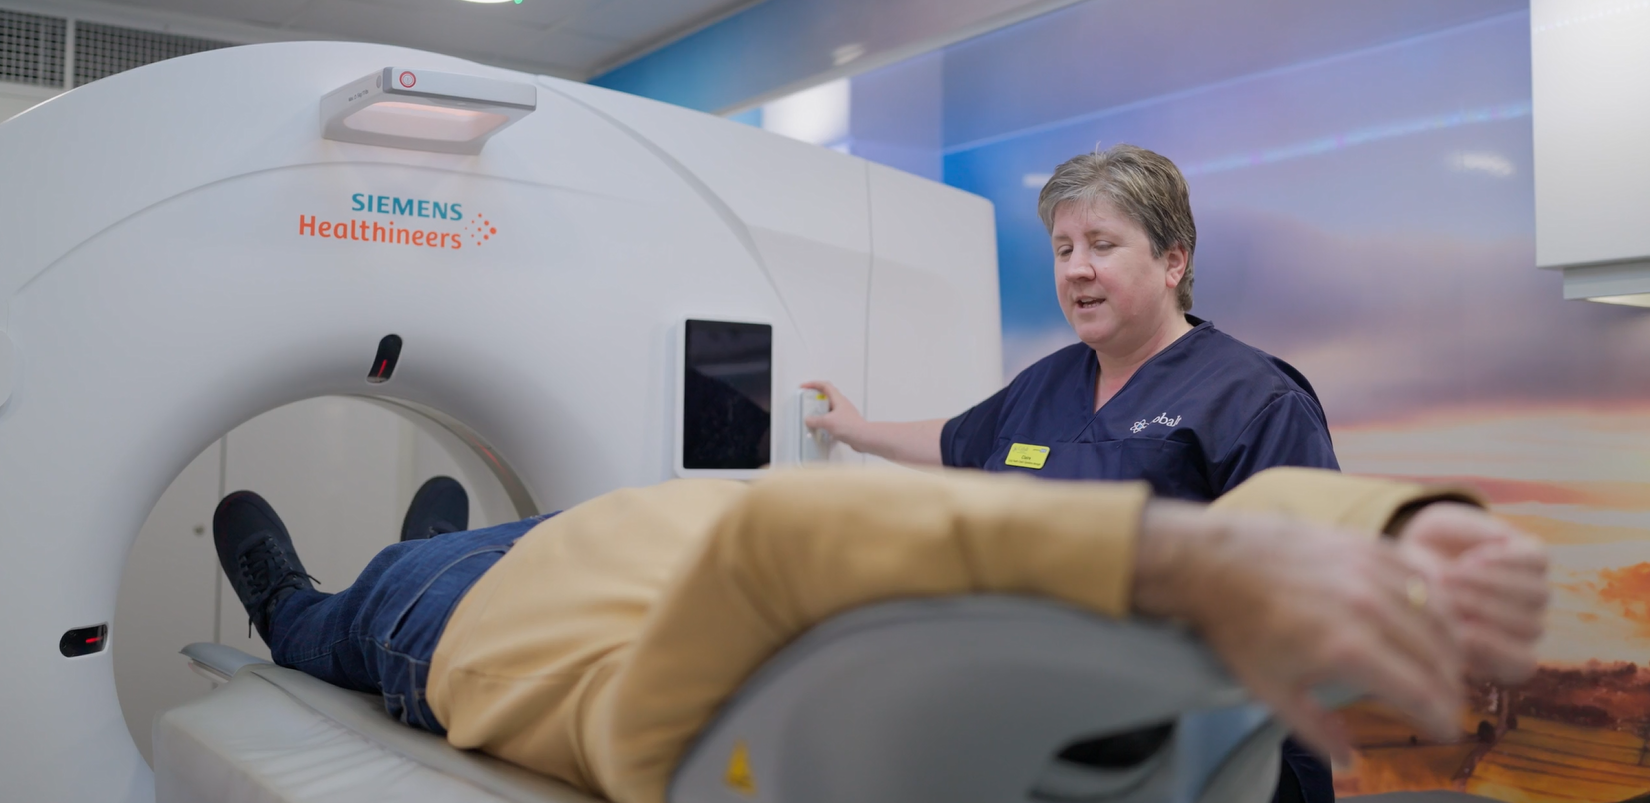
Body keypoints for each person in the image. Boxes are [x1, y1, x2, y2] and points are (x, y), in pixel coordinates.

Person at [213, 465, 1548, 803]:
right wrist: (1407, 525)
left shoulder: (678, 751)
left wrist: (1173, 547)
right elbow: (1264, 533)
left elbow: (776, 539)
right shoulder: (1122, 695)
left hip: (459, 619)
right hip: (638, 520)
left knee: (343, 607)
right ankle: (420, 524)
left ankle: (284, 599)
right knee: (446, 537)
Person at [804, 144, 1338, 798]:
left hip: (1210, 758)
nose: (1076, 269)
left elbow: (1311, 590)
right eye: (1063, 249)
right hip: (1055, 744)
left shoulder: (1254, 398)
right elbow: (958, 441)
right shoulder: (1044, 385)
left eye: (1101, 244)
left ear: (1173, 260)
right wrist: (854, 430)